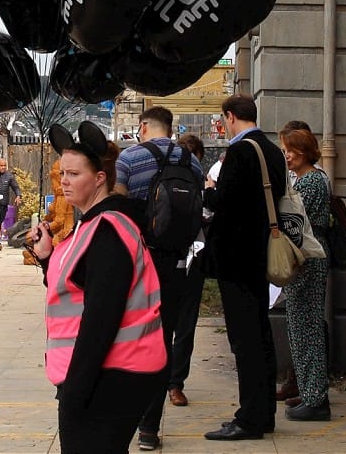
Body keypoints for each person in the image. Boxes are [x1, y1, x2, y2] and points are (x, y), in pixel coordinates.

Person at [31, 121, 167, 454]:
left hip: (112, 373)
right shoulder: (93, 224)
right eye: (63, 173)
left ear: (100, 178)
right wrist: (47, 258)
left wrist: (75, 393)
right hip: (110, 371)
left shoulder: (106, 230)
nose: (64, 181)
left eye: (75, 174)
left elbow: (100, 319)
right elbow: (76, 290)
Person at [114, 107, 204, 452]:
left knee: (129, 338)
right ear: (170, 128)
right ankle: (150, 428)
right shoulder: (191, 162)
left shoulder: (130, 157)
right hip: (176, 262)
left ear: (142, 127)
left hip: (137, 260)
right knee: (162, 340)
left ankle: (123, 418)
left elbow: (119, 207)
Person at [201, 95, 286, 441]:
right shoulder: (272, 150)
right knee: (260, 334)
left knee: (244, 340)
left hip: (237, 257)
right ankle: (264, 413)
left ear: (231, 117)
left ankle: (249, 418)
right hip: (259, 254)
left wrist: (209, 192)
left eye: (224, 120)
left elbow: (227, 205)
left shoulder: (240, 152)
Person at [278, 127, 332, 421]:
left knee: (306, 328)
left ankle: (316, 400)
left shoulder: (310, 182)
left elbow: (296, 223)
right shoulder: (312, 178)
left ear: (303, 152)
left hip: (307, 259)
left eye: (290, 150)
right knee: (303, 327)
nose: (286, 155)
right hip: (310, 257)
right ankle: (311, 393)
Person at [166, 132, 208, 411]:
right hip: (193, 255)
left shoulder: (160, 173)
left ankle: (163, 379)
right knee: (185, 324)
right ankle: (175, 383)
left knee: (161, 322)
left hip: (164, 258)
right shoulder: (199, 178)